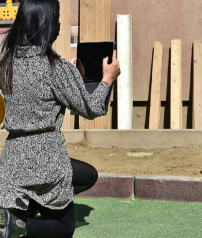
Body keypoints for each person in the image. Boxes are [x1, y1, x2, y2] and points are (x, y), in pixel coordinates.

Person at [0, 0, 120, 237]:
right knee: (65, 228)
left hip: (13, 161)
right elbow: (92, 108)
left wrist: (73, 78)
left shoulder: (5, 65)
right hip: (47, 160)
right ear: (45, 25)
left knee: (85, 175)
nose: (59, 26)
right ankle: (16, 225)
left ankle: (17, 217)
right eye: (56, 21)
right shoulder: (55, 67)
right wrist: (108, 78)